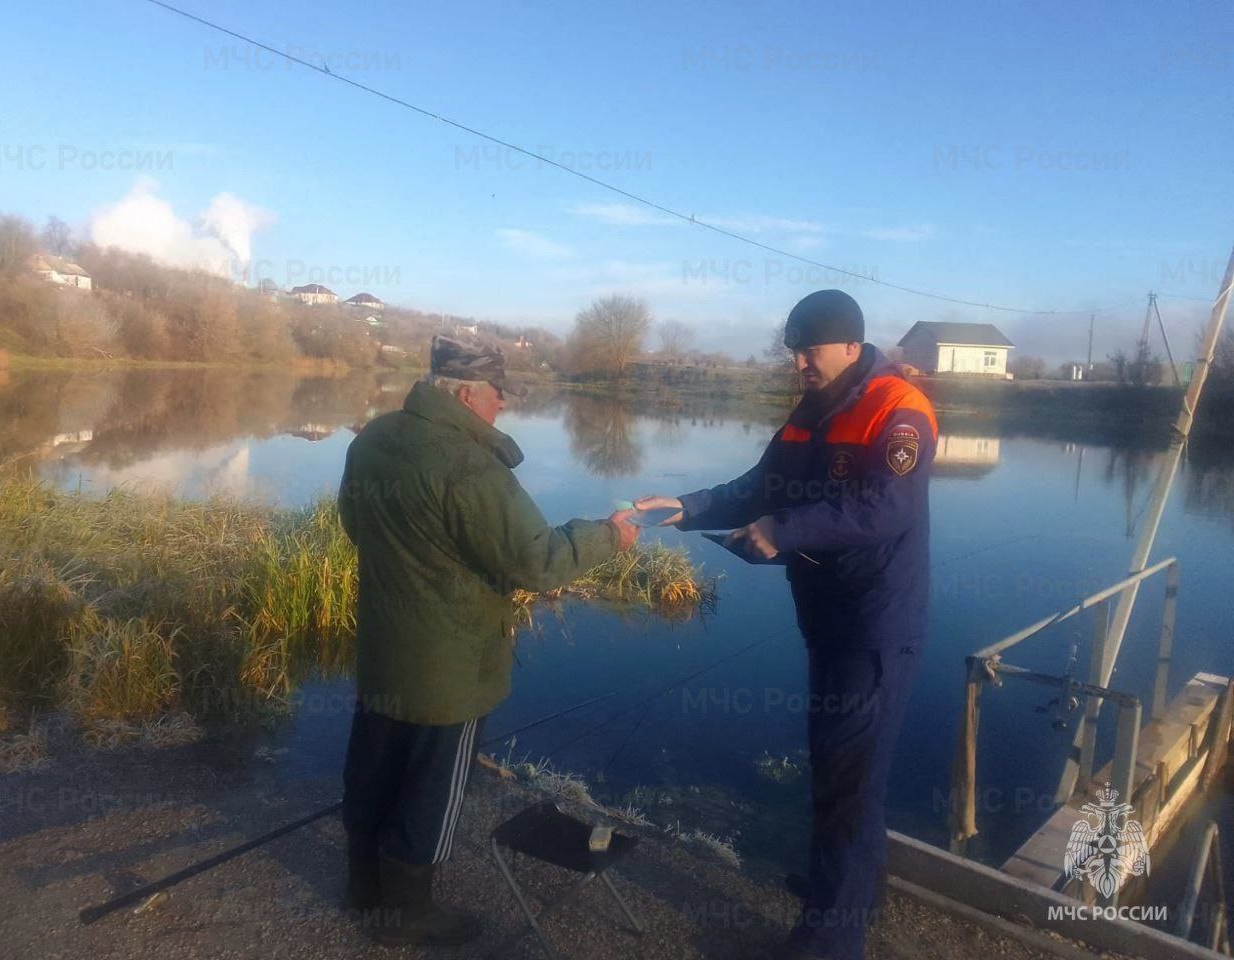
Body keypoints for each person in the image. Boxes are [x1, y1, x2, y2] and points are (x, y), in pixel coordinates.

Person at [635, 290, 936, 960]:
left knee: (849, 774)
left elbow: (885, 509)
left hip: (876, 626)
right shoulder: (811, 412)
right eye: (793, 349)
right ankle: (852, 890)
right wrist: (685, 506)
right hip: (828, 620)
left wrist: (785, 529)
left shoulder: (899, 409)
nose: (799, 361)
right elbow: (759, 485)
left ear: (852, 346)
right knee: (841, 765)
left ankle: (832, 938)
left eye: (810, 348)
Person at [336, 335, 639, 946]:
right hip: (450, 668)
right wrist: (609, 536)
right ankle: (406, 917)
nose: (504, 407)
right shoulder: (470, 466)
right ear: (470, 394)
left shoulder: (374, 438)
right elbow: (537, 561)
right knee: (431, 790)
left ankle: (362, 888)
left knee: (374, 768)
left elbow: (353, 523)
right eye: (500, 396)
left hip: (384, 654)